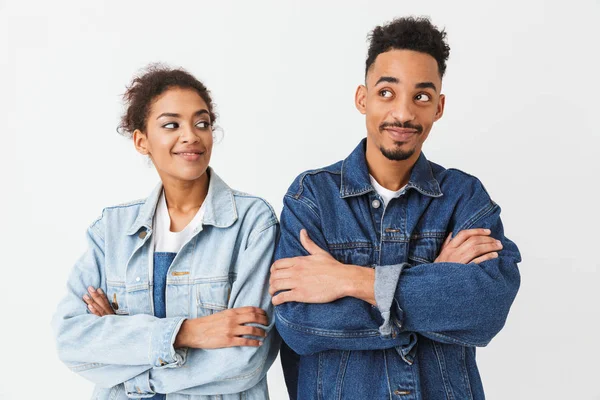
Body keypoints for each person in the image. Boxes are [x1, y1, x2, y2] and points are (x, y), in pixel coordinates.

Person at [270, 17, 521, 399]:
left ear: (438, 106)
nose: (403, 114)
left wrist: (350, 281)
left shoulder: (464, 197)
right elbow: (298, 324)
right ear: (362, 98)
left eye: (421, 96)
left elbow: (486, 308)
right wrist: (436, 289)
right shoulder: (312, 197)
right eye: (387, 92)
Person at [52, 65, 280, 400]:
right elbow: (71, 338)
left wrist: (123, 348)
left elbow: (246, 360)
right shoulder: (111, 231)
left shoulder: (250, 222)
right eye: (171, 125)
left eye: (202, 123)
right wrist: (189, 332)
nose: (191, 135)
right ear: (141, 141)